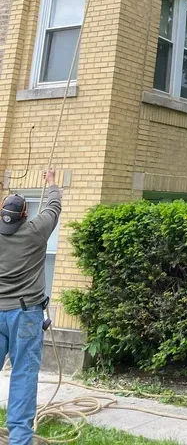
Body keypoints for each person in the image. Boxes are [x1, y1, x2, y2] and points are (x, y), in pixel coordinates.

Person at [0, 169, 61, 445]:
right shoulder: (36, 231)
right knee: (23, 375)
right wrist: (52, 183)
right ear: (25, 215)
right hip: (25, 315)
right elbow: (53, 208)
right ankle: (20, 439)